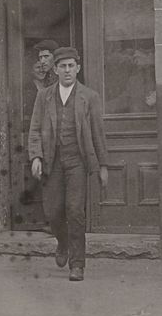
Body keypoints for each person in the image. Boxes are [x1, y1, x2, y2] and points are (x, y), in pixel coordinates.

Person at [28, 47, 110, 282]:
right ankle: (62, 243)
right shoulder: (44, 96)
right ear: (55, 69)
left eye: (71, 66)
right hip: (52, 162)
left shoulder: (89, 97)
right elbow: (35, 128)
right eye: (62, 66)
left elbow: (97, 133)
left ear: (78, 68)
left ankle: (77, 264)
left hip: (76, 162)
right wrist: (36, 156)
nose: (66, 70)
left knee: (75, 211)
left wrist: (103, 166)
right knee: (53, 212)